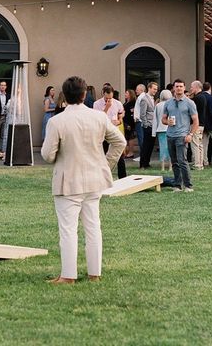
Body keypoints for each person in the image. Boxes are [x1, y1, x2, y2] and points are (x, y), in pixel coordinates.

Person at [41, 76, 126, 284]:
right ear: (84, 94)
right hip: (94, 178)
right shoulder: (98, 117)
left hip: (68, 180)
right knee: (93, 226)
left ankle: (68, 275)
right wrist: (106, 165)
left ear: (65, 96)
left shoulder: (56, 121)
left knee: (68, 230)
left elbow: (47, 155)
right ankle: (94, 273)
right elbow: (120, 142)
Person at [162, 79, 198, 192]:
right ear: (173, 88)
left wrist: (190, 134)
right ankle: (177, 185)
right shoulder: (168, 103)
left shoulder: (189, 103)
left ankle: (188, 185)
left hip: (182, 135)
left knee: (182, 160)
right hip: (170, 135)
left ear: (184, 87)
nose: (179, 88)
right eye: (177, 86)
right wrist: (168, 122)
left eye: (181, 86)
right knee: (174, 162)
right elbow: (163, 119)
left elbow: (196, 121)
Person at [93, 86, 127, 178]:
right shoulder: (97, 104)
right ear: (103, 93)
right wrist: (107, 107)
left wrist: (119, 120)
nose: (109, 100)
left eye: (110, 98)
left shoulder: (117, 103)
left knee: (119, 154)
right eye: (107, 98)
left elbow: (121, 112)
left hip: (114, 130)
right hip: (103, 131)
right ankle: (102, 177)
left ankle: (123, 177)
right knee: (103, 154)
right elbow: (98, 118)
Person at [152, 89, 172, 171]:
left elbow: (155, 119)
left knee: (162, 147)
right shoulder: (171, 104)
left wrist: (154, 131)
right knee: (170, 147)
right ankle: (170, 166)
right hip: (170, 128)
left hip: (160, 129)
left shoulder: (158, 105)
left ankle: (163, 166)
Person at [139, 82, 158, 169]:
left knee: (151, 145)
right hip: (148, 126)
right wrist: (146, 124)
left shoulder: (152, 99)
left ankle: (147, 162)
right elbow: (142, 114)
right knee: (146, 145)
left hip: (153, 125)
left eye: (156, 89)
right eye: (154, 89)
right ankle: (143, 163)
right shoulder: (144, 99)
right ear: (149, 88)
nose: (155, 91)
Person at [189, 80, 207, 169]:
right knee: (200, 144)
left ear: (196, 87)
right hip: (201, 124)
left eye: (192, 87)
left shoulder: (197, 98)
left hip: (196, 124)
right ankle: (200, 163)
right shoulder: (203, 97)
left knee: (195, 144)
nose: (190, 88)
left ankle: (197, 164)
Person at [122, 89, 136, 158]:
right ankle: (126, 152)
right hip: (125, 122)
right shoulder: (126, 103)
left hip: (130, 123)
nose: (125, 94)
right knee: (126, 137)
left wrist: (129, 124)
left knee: (130, 137)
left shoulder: (132, 103)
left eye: (126, 93)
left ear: (130, 94)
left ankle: (131, 152)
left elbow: (132, 114)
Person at [133, 84, 146, 157]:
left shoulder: (141, 97)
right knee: (141, 138)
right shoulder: (142, 97)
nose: (136, 91)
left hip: (140, 121)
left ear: (141, 90)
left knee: (141, 138)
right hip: (140, 120)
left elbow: (142, 110)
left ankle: (142, 155)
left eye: (137, 89)